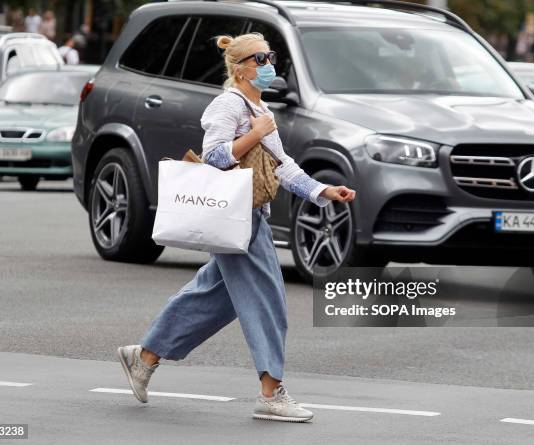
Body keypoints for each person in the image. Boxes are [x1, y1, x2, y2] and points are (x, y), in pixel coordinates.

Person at [116, 32, 356, 423]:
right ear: (240, 67)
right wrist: (253, 135)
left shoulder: (260, 109)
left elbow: (284, 167)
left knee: (212, 298)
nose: (268, 65)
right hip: (236, 217)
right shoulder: (227, 104)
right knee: (267, 301)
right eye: (260, 59)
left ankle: (143, 358)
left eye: (270, 57)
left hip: (249, 215)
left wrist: (324, 190)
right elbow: (214, 156)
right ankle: (271, 392)